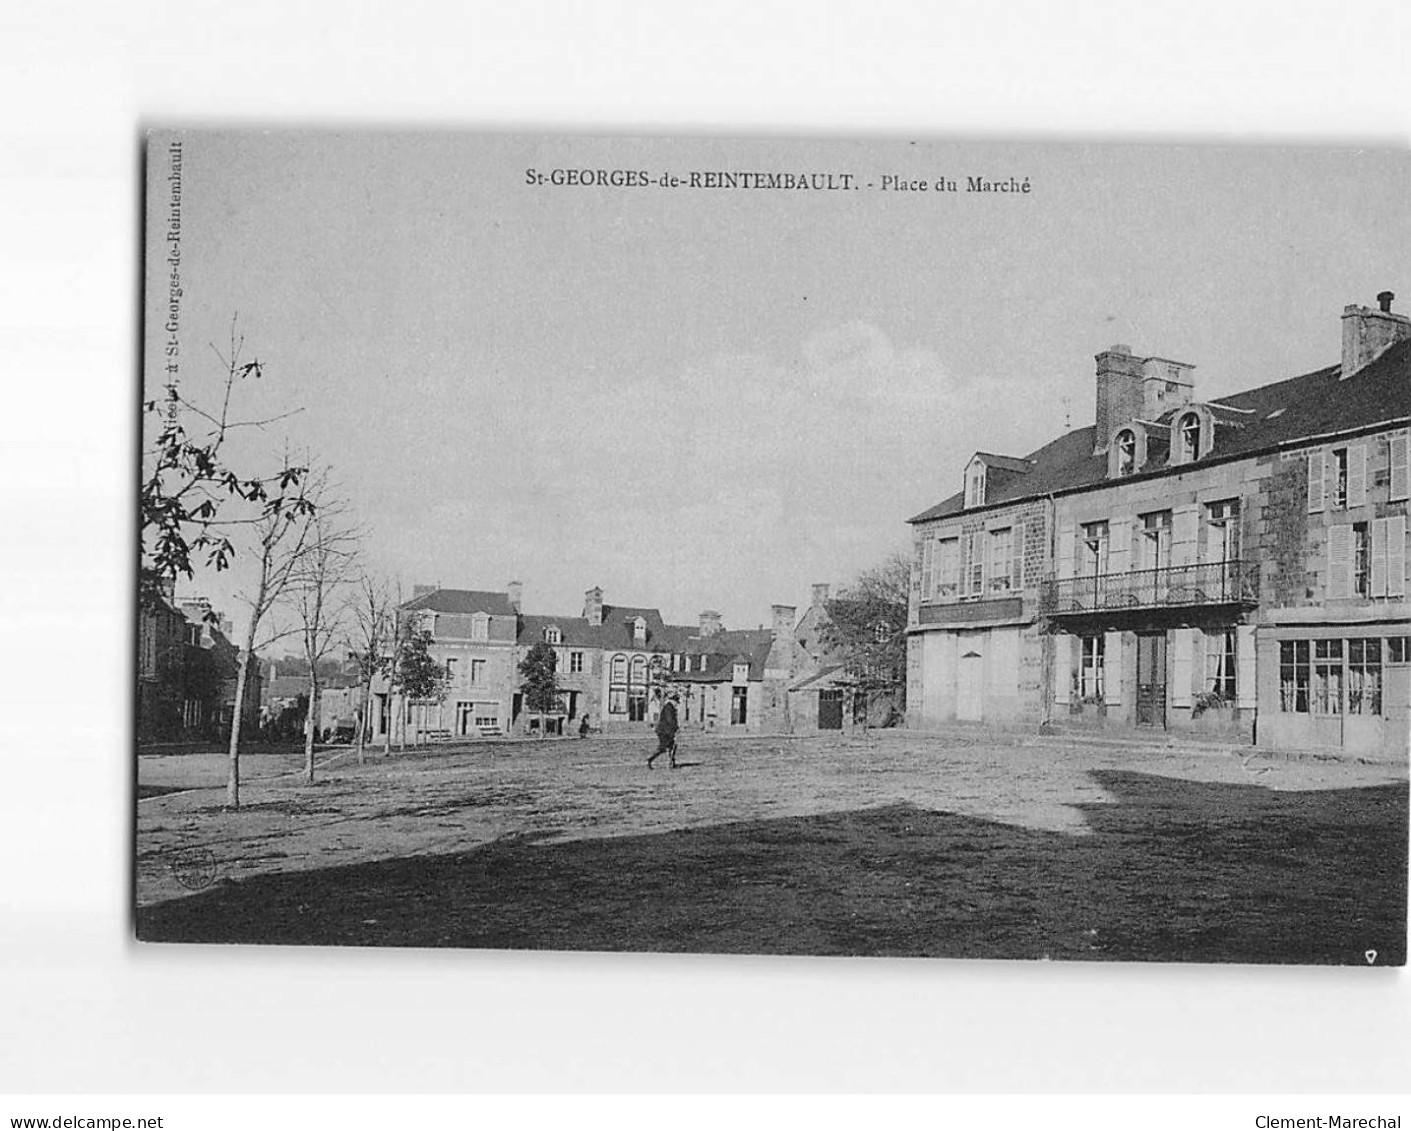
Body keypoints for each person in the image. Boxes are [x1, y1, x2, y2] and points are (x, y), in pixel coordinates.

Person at [647, 694, 679, 769]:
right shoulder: (669, 707)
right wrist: (675, 727)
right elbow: (670, 720)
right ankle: (650, 759)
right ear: (672, 701)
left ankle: (671, 763)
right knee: (663, 748)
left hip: (667, 731)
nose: (677, 704)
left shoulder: (670, 707)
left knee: (672, 746)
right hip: (664, 731)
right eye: (676, 702)